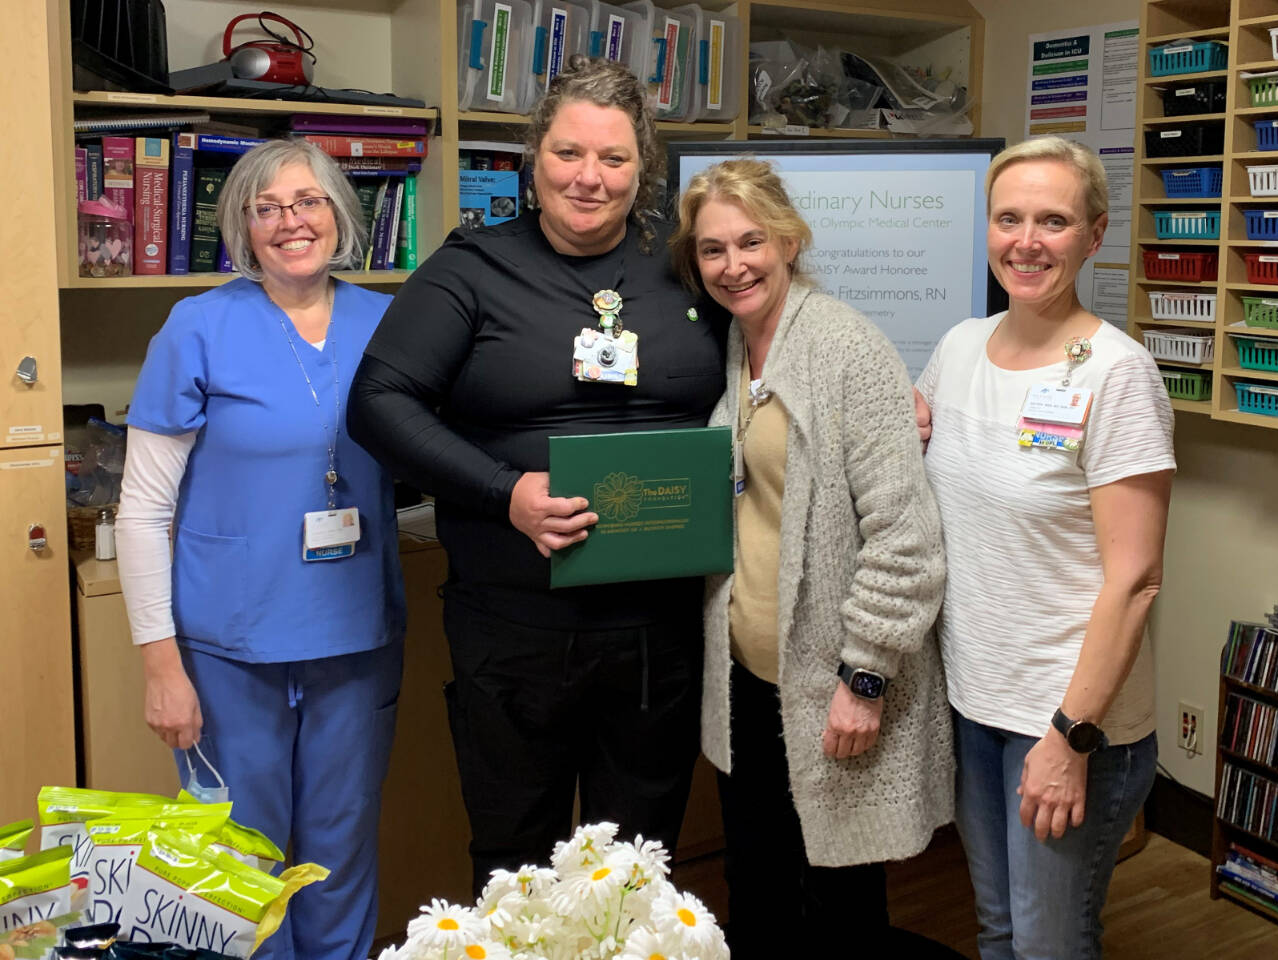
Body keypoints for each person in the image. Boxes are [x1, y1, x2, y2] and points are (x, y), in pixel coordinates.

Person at [346, 56, 728, 895]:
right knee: (516, 858)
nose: (589, 178)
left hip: (655, 628)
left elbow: (774, 363)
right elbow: (379, 403)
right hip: (514, 628)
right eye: (568, 153)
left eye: (615, 159)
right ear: (533, 157)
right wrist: (502, 492)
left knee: (640, 862)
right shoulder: (470, 270)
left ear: (645, 171)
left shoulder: (686, 270)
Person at [114, 138, 405, 960]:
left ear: (339, 214)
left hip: (355, 639)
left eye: (308, 201)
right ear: (243, 226)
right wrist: (160, 665)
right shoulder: (196, 328)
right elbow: (141, 512)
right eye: (267, 207)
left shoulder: (386, 323)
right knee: (242, 869)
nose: (290, 222)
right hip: (228, 651)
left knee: (340, 858)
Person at [670, 158, 951, 953]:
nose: (734, 265)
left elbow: (906, 537)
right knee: (757, 884)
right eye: (713, 250)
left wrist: (865, 677)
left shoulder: (845, 349)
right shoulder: (737, 340)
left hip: (834, 682)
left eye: (751, 241)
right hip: (750, 681)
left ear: (790, 239)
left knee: (840, 903)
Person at [914, 136, 1175, 959]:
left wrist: (1070, 737)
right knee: (999, 932)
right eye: (1009, 218)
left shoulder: (1116, 373)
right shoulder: (958, 348)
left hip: (1064, 721)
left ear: (1094, 235)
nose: (1027, 241)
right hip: (976, 701)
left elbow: (1134, 580)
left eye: (1053, 221)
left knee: (1050, 946)